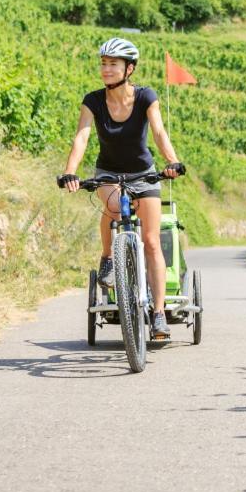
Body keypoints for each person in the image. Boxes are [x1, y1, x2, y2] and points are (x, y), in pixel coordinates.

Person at [59, 37, 183, 339]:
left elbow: (158, 130)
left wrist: (172, 161)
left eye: (112, 64)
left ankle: (157, 314)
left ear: (129, 68)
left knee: (152, 242)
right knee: (113, 207)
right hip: (108, 172)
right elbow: (82, 137)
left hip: (143, 172)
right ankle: (108, 256)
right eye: (103, 63)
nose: (105, 69)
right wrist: (70, 172)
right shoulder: (93, 100)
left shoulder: (145, 97)